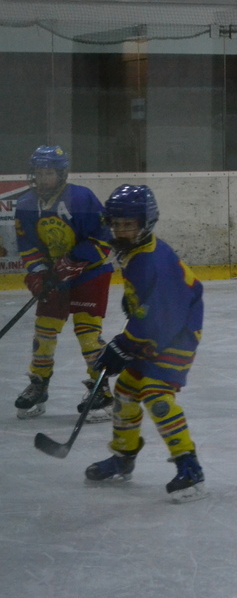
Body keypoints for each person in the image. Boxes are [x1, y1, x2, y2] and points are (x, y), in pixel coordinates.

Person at [84, 185, 207, 503]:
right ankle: (123, 457)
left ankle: (190, 467)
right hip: (157, 329)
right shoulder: (136, 251)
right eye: (117, 224)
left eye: (129, 224)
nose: (121, 231)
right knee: (126, 391)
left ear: (146, 223)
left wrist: (125, 344)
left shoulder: (151, 260)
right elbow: (150, 306)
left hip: (179, 334)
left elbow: (165, 316)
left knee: (156, 395)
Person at [13, 146, 114, 422]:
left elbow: (103, 238)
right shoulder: (26, 204)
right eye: (39, 173)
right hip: (55, 277)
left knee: (87, 333)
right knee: (44, 332)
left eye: (49, 173)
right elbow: (28, 246)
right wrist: (39, 273)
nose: (43, 178)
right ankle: (39, 383)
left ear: (61, 174)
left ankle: (101, 390)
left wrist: (74, 260)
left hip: (90, 273)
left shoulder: (81, 198)